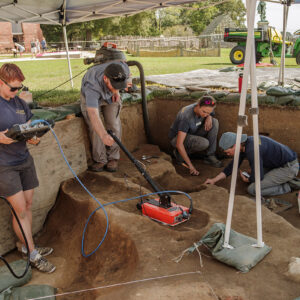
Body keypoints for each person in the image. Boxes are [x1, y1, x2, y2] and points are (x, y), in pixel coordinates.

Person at [0, 63, 55, 273]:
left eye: (19, 88)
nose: (16, 92)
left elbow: (29, 122)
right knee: (20, 211)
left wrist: (34, 135)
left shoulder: (19, 103)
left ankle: (24, 246)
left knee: (28, 205)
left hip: (24, 159)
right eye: (13, 88)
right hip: (4, 165)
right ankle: (33, 254)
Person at [205, 132, 299, 197]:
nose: (228, 154)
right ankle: (282, 179)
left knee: (253, 189)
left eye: (228, 152)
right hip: (278, 164)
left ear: (234, 145)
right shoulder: (246, 143)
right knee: (254, 172)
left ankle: (288, 186)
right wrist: (214, 180)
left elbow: (258, 177)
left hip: (288, 168)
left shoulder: (252, 150)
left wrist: (249, 179)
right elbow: (232, 166)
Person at [80, 62, 129, 172]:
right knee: (95, 128)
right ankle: (100, 159)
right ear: (105, 78)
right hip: (91, 98)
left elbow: (123, 81)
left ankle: (113, 158)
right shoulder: (92, 86)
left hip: (110, 95)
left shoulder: (123, 69)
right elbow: (93, 114)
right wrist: (103, 135)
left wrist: (116, 91)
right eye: (114, 86)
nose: (117, 88)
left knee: (114, 124)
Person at [168, 95, 223, 176]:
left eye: (209, 112)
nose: (205, 114)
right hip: (177, 139)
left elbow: (209, 112)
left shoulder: (206, 106)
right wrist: (191, 166)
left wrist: (209, 117)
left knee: (214, 122)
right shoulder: (186, 117)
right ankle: (179, 154)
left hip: (193, 132)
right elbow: (179, 144)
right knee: (204, 143)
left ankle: (210, 156)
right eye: (204, 112)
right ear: (198, 105)